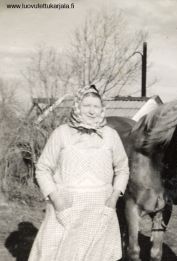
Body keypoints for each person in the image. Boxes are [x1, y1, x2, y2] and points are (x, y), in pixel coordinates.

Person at [28, 85, 129, 261]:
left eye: (96, 106)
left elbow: (122, 169)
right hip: (66, 211)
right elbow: (43, 169)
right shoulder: (61, 133)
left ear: (102, 109)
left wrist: (113, 198)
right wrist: (58, 200)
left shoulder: (111, 135)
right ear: (77, 107)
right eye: (87, 105)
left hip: (100, 212)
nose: (92, 111)